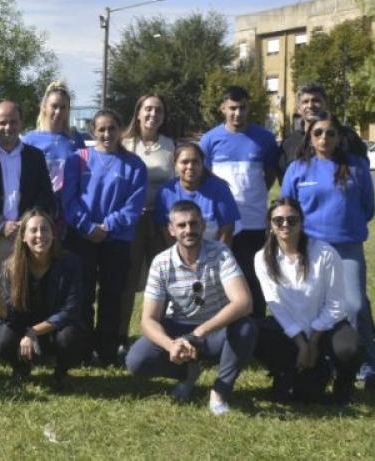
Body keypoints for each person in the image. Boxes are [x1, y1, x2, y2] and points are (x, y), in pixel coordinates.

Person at [125, 201, 257, 416]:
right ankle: (187, 371)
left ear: (203, 226)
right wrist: (171, 346)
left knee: (246, 328)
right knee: (136, 361)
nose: (188, 230)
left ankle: (220, 391)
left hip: (214, 331)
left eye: (194, 224)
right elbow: (148, 320)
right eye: (182, 225)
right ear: (171, 230)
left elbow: (244, 302)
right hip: (177, 329)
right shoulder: (161, 262)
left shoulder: (220, 253)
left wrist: (198, 334)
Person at [281, 116, 374, 390]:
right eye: (318, 133)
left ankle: (367, 365)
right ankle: (322, 361)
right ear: (310, 137)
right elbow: (287, 211)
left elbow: (368, 207)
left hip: (347, 249)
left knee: (355, 307)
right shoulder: (298, 169)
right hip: (311, 249)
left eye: (330, 133)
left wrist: (347, 228)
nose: (324, 139)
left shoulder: (356, 168)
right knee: (316, 306)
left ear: (340, 137)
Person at [0, 101, 57, 359]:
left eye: (13, 122)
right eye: (2, 122)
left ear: (21, 123)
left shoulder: (34, 156)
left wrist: (28, 223)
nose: (8, 127)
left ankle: (31, 343)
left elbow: (45, 196)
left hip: (28, 238)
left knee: (28, 293)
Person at [254, 198, 360, 404]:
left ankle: (344, 385)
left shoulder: (325, 253)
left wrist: (313, 340)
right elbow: (275, 305)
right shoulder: (262, 258)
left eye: (292, 220)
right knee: (253, 333)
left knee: (349, 347)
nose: (285, 225)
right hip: (290, 328)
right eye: (278, 220)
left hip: (326, 326)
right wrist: (301, 343)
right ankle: (284, 371)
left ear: (302, 223)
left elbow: (336, 304)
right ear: (270, 225)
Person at [62, 110, 147, 365]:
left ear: (120, 130)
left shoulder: (134, 164)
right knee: (83, 294)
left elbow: (134, 206)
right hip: (82, 237)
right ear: (92, 131)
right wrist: (87, 227)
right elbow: (69, 200)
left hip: (117, 240)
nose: (107, 134)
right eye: (101, 129)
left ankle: (108, 350)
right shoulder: (78, 159)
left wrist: (107, 226)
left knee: (112, 295)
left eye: (112, 128)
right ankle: (83, 349)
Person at [200, 85, 280, 319]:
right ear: (223, 108)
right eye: (232, 108)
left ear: (248, 108)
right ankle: (223, 327)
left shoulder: (264, 139)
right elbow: (205, 180)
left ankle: (256, 328)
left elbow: (269, 175)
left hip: (254, 221)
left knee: (254, 276)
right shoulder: (209, 140)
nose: (237, 113)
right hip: (222, 223)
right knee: (222, 277)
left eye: (242, 108)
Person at [0, 210, 88, 388]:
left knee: (71, 337)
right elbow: (12, 315)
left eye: (45, 230)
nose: (40, 235)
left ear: (53, 234)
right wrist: (0, 307)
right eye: (33, 230)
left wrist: (33, 331)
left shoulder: (70, 263)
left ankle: (61, 371)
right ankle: (20, 367)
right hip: (23, 327)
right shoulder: (10, 267)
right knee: (2, 339)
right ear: (23, 237)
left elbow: (70, 310)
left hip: (55, 328)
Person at [120, 94, 175, 355]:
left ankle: (162, 335)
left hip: (162, 220)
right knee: (127, 280)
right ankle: (120, 335)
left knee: (163, 280)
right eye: (148, 109)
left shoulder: (170, 145)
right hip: (131, 220)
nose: (153, 114)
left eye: (159, 110)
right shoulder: (125, 143)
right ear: (139, 113)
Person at [154, 143, 240, 245]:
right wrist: (178, 256)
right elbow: (164, 229)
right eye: (185, 162)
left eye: (195, 162)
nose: (190, 166)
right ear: (175, 165)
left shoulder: (219, 188)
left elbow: (227, 229)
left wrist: (217, 256)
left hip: (214, 253)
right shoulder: (165, 192)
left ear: (202, 164)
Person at [277, 82, 367, 178]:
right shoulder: (289, 143)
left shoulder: (348, 137)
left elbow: (362, 170)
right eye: (305, 102)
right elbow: (284, 178)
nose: (310, 105)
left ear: (326, 104)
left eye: (316, 100)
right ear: (298, 108)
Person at [22, 81, 86, 199]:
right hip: (39, 207)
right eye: (54, 106)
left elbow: (84, 175)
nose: (58, 112)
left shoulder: (76, 139)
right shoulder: (29, 140)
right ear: (45, 107)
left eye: (63, 107)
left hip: (68, 207)